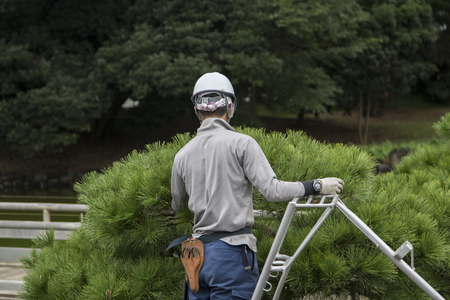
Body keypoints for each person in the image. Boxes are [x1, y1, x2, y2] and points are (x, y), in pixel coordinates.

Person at [170, 72, 344, 300]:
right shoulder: (242, 144)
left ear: (197, 111)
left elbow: (177, 204)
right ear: (230, 107)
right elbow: (273, 191)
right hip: (231, 256)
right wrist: (317, 186)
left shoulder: (182, 156)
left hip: (196, 258)